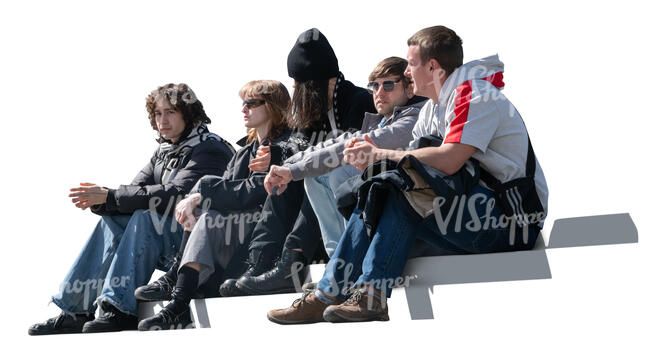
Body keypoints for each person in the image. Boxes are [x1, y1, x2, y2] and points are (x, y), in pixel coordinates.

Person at [267, 25, 549, 324]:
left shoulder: (474, 94)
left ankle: (369, 294)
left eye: (411, 64)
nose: (407, 71)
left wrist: (381, 156)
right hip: (470, 213)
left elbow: (450, 160)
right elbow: (411, 168)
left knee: (400, 188)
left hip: (511, 221)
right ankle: (332, 293)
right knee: (384, 185)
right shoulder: (431, 110)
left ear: (433, 67)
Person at [28, 83, 235, 335]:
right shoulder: (164, 151)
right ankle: (75, 310)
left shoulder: (210, 147)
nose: (162, 120)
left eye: (170, 112)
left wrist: (113, 196)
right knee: (112, 221)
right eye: (158, 114)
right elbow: (135, 191)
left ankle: (119, 308)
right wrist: (104, 200)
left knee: (146, 217)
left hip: (204, 249)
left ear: (188, 114)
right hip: (173, 240)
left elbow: (177, 194)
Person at [220, 28, 376, 297]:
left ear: (313, 82)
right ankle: (263, 263)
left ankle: (301, 262)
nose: (294, 90)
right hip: (327, 204)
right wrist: (278, 159)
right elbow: (297, 145)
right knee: (284, 180)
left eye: (297, 84)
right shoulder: (314, 109)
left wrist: (292, 165)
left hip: (362, 185)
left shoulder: (360, 100)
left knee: (315, 174)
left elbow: (345, 150)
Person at [136, 80, 295, 330]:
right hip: (233, 232)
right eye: (243, 103)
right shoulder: (244, 152)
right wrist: (199, 198)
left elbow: (255, 191)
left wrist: (201, 191)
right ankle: (178, 296)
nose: (244, 108)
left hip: (263, 235)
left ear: (274, 106)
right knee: (203, 211)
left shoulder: (287, 146)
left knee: (206, 206)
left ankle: (177, 292)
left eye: (252, 103)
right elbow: (227, 191)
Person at [262, 56, 427, 258]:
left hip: (411, 208)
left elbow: (348, 149)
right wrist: (287, 166)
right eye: (374, 86)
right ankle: (339, 260)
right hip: (384, 198)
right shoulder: (379, 122)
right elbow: (334, 143)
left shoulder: (414, 117)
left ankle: (354, 257)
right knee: (314, 177)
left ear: (409, 88)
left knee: (342, 172)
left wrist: (292, 171)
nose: (379, 93)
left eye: (389, 85)